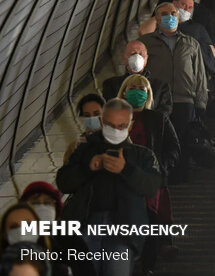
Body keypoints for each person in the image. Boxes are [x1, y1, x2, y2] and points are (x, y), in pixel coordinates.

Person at [56, 98, 161, 276]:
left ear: (130, 125)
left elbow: (152, 186)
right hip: (88, 224)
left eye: (121, 126)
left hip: (124, 228)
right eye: (111, 125)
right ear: (102, 122)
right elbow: (63, 182)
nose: (115, 130)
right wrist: (86, 168)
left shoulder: (143, 155)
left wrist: (126, 169)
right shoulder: (84, 150)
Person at [117, 75, 180, 275]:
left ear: (148, 94)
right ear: (124, 92)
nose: (137, 91)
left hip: (150, 180)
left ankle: (148, 267)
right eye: (133, 87)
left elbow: (174, 147)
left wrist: (162, 167)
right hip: (123, 181)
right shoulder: (115, 119)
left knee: (151, 220)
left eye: (142, 88)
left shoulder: (158, 119)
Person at [138, 2, 208, 180]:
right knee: (161, 139)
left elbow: (199, 74)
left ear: (179, 17)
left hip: (184, 99)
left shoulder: (190, 43)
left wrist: (201, 102)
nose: (170, 17)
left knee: (183, 138)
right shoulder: (147, 43)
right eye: (164, 14)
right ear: (157, 18)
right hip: (159, 100)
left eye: (173, 13)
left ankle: (182, 173)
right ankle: (162, 174)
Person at [20, 182, 95, 276]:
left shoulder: (70, 238)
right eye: (35, 203)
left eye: (47, 203)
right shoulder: (16, 237)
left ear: (56, 209)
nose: (42, 207)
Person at [101, 40, 173, 116]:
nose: (137, 57)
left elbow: (165, 112)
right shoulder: (111, 85)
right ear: (125, 58)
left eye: (141, 54)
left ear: (146, 59)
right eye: (133, 54)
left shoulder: (161, 87)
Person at [0, 203, 70, 276]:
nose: (21, 230)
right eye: (14, 227)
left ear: (39, 229)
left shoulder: (60, 270)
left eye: (28, 224)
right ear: (4, 234)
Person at [64, 93, 105, 163]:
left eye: (96, 114)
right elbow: (65, 171)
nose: (92, 118)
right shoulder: (75, 146)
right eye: (87, 115)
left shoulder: (116, 141)